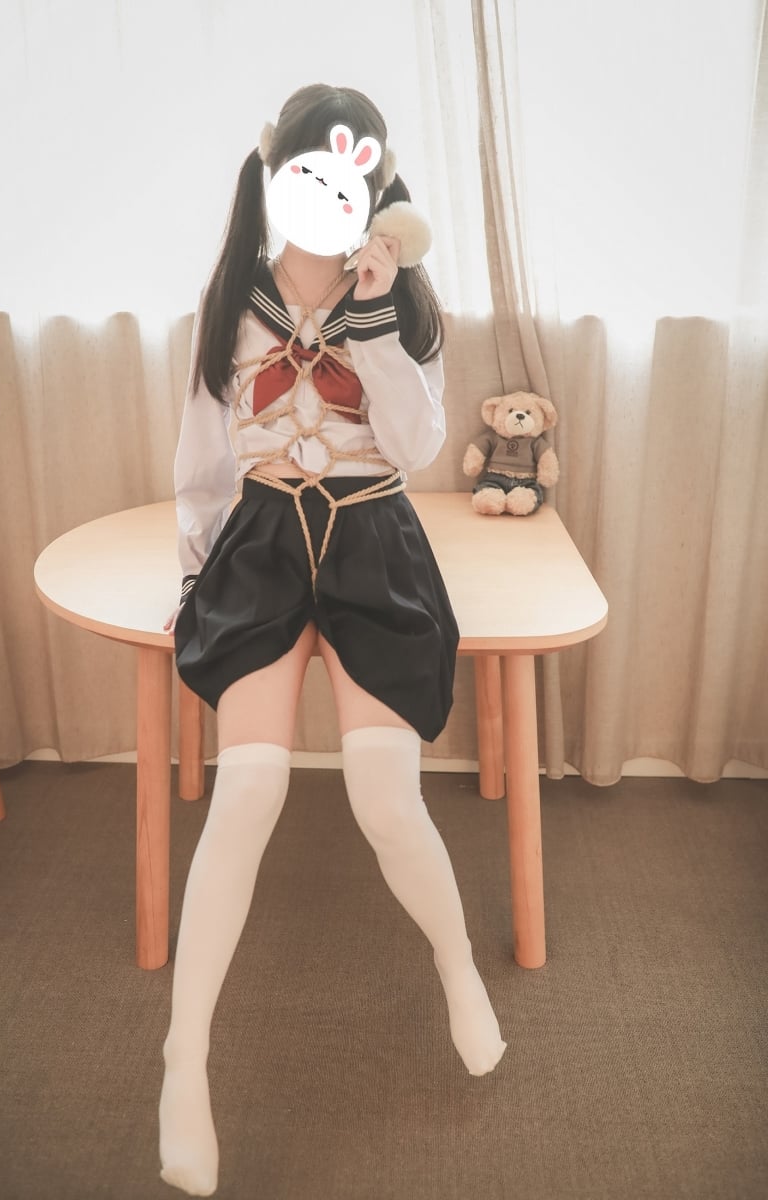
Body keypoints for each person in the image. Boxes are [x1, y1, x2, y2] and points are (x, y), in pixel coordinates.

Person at [159, 83, 506, 1198]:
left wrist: (374, 312)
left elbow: (413, 446)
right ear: (277, 177)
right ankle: (183, 1060)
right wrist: (194, 575)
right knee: (249, 789)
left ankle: (456, 966)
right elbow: (203, 458)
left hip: (371, 540)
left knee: (384, 796)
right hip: (263, 542)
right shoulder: (233, 296)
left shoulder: (403, 301)